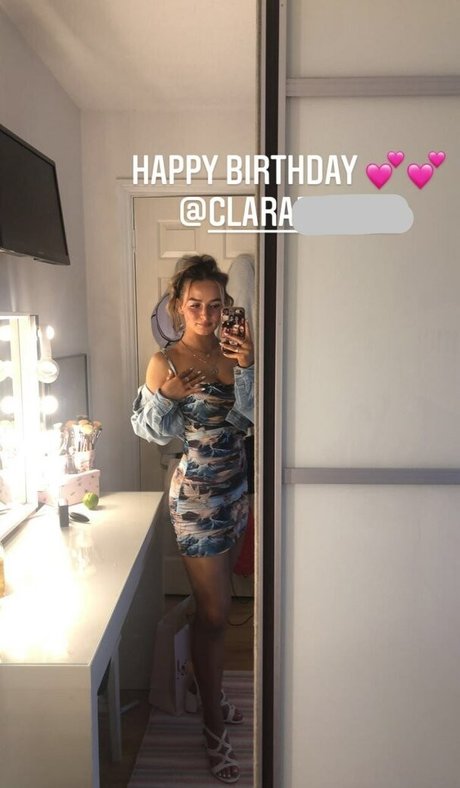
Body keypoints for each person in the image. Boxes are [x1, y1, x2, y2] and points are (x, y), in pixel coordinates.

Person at [131, 254, 254, 784]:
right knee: (215, 613)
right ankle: (212, 726)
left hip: (237, 493)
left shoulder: (236, 353)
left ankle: (212, 690)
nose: (206, 314)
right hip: (197, 500)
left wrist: (249, 367)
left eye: (215, 305)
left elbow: (253, 420)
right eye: (195, 305)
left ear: (227, 307)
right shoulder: (166, 360)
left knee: (215, 611)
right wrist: (166, 394)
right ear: (178, 307)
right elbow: (148, 430)